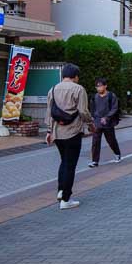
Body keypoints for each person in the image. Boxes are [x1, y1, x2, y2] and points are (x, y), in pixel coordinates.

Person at [45, 63, 92, 210]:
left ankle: (60, 190)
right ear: (75, 76)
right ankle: (66, 199)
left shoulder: (52, 90)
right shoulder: (79, 89)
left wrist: (49, 131)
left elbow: (49, 113)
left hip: (57, 132)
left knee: (63, 161)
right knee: (70, 164)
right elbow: (83, 111)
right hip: (73, 131)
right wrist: (90, 123)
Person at [89, 77, 122, 167]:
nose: (99, 88)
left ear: (105, 86)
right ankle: (95, 161)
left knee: (111, 140)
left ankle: (117, 153)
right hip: (97, 122)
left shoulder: (111, 96)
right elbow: (92, 108)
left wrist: (107, 117)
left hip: (108, 122)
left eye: (100, 86)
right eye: (97, 87)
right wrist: (92, 118)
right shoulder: (94, 97)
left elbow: (114, 108)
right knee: (95, 142)